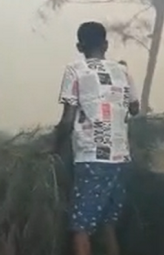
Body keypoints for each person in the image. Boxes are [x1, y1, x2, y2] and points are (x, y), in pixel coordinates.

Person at [53, 21, 141, 255]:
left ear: (79, 47)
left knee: (80, 227)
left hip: (93, 157)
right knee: (107, 224)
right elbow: (135, 109)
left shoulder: (75, 70)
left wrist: (53, 146)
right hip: (121, 159)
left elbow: (67, 120)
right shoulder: (123, 70)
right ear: (106, 45)